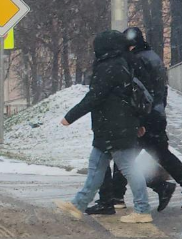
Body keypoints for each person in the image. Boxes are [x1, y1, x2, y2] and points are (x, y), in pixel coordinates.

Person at [86, 26, 182, 214]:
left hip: (145, 117)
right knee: (150, 155)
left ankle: (175, 188)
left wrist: (137, 119)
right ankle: (177, 188)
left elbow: (137, 92)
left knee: (125, 157)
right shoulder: (152, 57)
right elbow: (159, 89)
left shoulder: (136, 60)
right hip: (156, 114)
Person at [55, 30, 152, 224]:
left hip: (115, 128)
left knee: (128, 167)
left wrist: (70, 117)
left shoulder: (109, 66)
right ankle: (78, 204)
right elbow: (125, 97)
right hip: (112, 127)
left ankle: (142, 210)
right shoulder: (121, 64)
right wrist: (138, 123)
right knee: (96, 166)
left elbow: (95, 97)